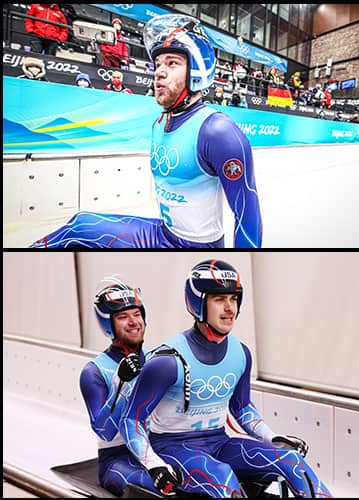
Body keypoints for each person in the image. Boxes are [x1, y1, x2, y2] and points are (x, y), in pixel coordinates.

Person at [30, 13, 263, 248]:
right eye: (158, 64)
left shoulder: (218, 132)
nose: (159, 72)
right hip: (164, 235)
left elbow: (248, 218)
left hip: (195, 246)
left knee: (79, 231)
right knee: (80, 226)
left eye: (172, 63)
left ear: (198, 71)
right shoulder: (160, 124)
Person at [119, 260, 331, 497]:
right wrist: (154, 464)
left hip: (219, 443)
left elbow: (241, 407)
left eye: (233, 299)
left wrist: (272, 436)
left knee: (292, 462)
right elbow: (131, 420)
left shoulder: (241, 353)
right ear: (198, 303)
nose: (230, 308)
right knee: (221, 477)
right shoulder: (167, 361)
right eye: (219, 299)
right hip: (172, 449)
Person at [79, 279, 159, 496]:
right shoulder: (94, 371)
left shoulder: (158, 360)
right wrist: (121, 384)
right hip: (118, 458)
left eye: (137, 314)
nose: (133, 322)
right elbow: (104, 431)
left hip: (159, 450)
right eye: (123, 317)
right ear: (108, 325)